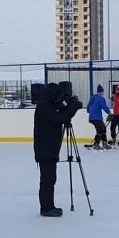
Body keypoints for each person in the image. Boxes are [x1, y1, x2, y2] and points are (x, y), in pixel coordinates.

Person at [32, 82, 80, 217]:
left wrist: (69, 105)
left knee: (50, 178)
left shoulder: (48, 104)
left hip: (49, 148)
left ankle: (49, 206)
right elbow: (59, 119)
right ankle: (46, 208)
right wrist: (73, 109)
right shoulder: (44, 106)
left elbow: (61, 114)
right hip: (45, 149)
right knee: (47, 179)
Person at [85, 85, 110, 149]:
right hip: (97, 117)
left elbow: (88, 106)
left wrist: (89, 112)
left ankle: (104, 144)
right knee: (101, 130)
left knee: (102, 129)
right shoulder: (100, 98)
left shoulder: (93, 97)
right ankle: (97, 144)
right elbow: (104, 106)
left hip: (92, 117)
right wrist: (109, 113)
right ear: (102, 92)